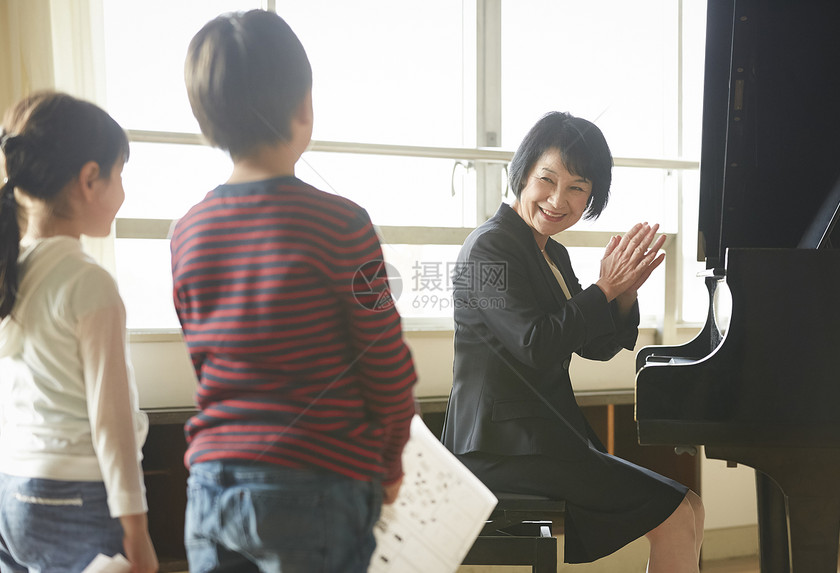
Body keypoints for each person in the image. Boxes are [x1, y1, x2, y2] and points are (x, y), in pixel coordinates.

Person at [173, 10, 417, 573]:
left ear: (207, 119)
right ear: (304, 105)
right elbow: (385, 362)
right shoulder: (344, 225)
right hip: (317, 483)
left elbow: (206, 361)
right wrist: (391, 461)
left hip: (212, 484)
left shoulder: (187, 231)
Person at [441, 111, 705, 572]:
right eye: (547, 179)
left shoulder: (552, 252)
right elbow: (535, 343)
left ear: (591, 198)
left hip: (540, 441)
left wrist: (623, 294)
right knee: (679, 514)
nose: (558, 199)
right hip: (497, 448)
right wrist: (602, 289)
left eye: (577, 188)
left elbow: (593, 345)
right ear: (522, 174)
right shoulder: (488, 247)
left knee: (690, 509)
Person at [0, 91, 158, 573]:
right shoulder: (89, 282)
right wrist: (136, 529)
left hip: (11, 493)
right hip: (74, 497)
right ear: (90, 179)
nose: (125, 193)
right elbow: (110, 422)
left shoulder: (11, 270)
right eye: (120, 175)